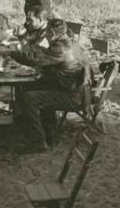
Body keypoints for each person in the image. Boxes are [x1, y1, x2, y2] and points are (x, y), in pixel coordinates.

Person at [5, 19, 88, 153]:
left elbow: (34, 60)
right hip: (73, 88)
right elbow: (44, 54)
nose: (45, 36)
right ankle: (42, 130)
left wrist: (12, 53)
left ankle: (39, 142)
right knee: (27, 87)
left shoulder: (60, 48)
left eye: (47, 32)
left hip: (72, 95)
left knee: (29, 97)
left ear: (52, 33)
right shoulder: (71, 43)